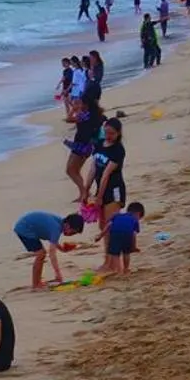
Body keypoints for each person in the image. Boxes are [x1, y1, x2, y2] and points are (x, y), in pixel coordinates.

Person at [15, 211, 86, 289]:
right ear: (67, 225)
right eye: (72, 232)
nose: (71, 235)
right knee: (41, 254)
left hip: (28, 226)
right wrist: (58, 273)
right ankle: (36, 284)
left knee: (41, 253)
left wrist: (62, 249)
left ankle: (37, 282)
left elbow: (52, 239)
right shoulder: (56, 228)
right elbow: (52, 253)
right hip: (24, 229)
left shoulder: (59, 223)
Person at [89, 117, 128, 247]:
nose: (108, 136)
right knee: (102, 225)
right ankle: (108, 255)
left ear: (118, 133)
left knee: (111, 224)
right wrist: (85, 190)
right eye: (106, 133)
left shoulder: (118, 150)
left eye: (112, 133)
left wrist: (99, 197)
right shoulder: (99, 144)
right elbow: (93, 169)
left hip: (114, 190)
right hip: (101, 189)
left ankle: (114, 255)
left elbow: (106, 175)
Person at [64, 92, 101, 203]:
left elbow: (68, 119)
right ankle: (84, 193)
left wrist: (74, 109)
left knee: (71, 170)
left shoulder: (85, 115)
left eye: (81, 103)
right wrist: (76, 108)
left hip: (82, 146)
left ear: (86, 104)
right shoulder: (92, 114)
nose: (80, 104)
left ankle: (84, 193)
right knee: (73, 170)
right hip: (83, 145)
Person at [103, 202, 144, 277]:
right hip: (127, 234)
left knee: (115, 254)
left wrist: (100, 235)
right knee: (126, 253)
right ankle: (126, 269)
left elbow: (108, 224)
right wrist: (133, 247)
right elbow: (133, 235)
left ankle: (118, 271)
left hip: (115, 233)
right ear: (138, 214)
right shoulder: (135, 220)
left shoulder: (117, 215)